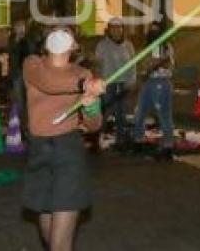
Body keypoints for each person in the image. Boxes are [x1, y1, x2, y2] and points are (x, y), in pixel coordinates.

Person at [22, 26, 104, 251]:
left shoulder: (82, 74)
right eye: (55, 30)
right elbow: (48, 83)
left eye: (66, 30)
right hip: (38, 154)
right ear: (46, 41)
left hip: (68, 154)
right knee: (52, 241)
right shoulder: (33, 64)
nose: (60, 32)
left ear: (75, 45)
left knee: (59, 246)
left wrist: (91, 106)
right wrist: (83, 86)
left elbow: (94, 125)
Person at [132, 19, 176, 160]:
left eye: (156, 30)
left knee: (164, 115)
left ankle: (168, 147)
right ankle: (138, 141)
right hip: (148, 83)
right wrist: (143, 73)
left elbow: (168, 63)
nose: (153, 33)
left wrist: (154, 66)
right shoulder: (148, 47)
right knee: (140, 112)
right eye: (151, 30)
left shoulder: (165, 46)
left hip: (161, 83)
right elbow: (144, 64)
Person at [94, 18, 136, 148]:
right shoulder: (102, 45)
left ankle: (121, 140)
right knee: (105, 111)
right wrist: (98, 82)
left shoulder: (128, 45)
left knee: (121, 112)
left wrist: (132, 80)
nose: (116, 31)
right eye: (113, 28)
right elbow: (97, 64)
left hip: (123, 83)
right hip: (108, 83)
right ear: (109, 30)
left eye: (119, 28)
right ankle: (97, 138)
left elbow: (132, 64)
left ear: (122, 29)